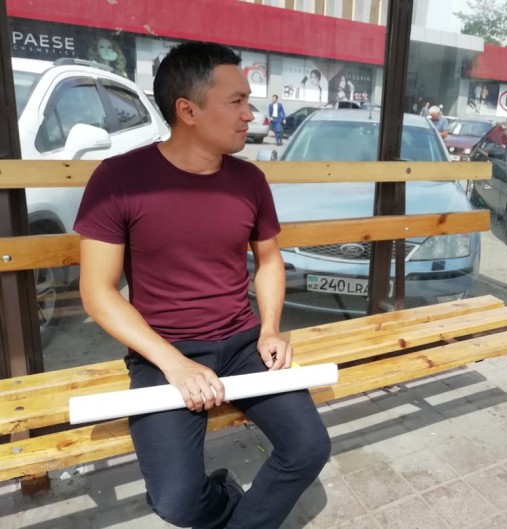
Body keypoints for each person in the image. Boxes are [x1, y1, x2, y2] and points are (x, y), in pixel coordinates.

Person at [73, 42, 331, 529]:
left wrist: (271, 329)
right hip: (162, 352)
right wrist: (174, 364)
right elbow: (98, 293)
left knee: (308, 447)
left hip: (243, 343)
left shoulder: (249, 180)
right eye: (237, 101)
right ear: (187, 111)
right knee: (177, 502)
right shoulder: (119, 180)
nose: (251, 114)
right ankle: (227, 500)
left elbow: (269, 261)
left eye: (248, 101)